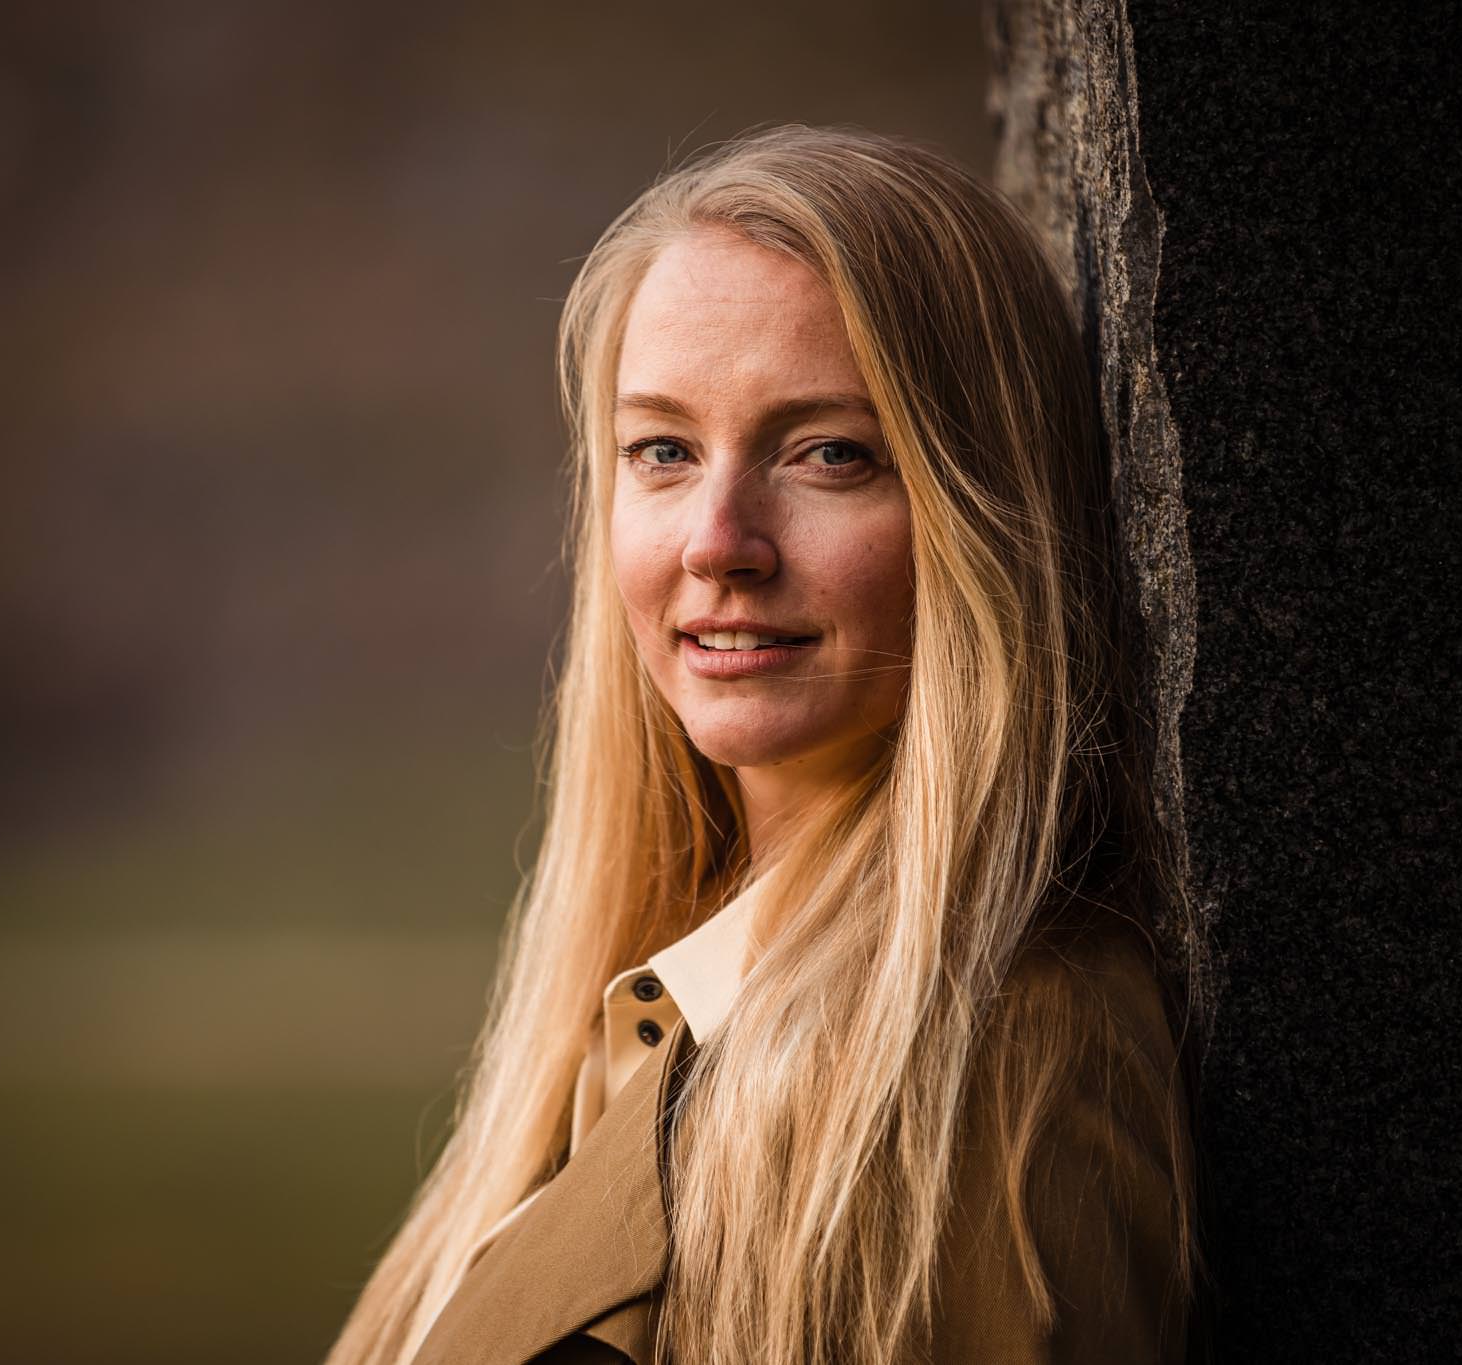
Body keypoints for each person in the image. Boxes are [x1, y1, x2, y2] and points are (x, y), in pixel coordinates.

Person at [325, 124, 1198, 1365]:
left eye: (828, 453)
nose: (717, 541)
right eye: (663, 452)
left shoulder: (1002, 1062)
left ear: (983, 513)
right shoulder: (644, 1002)